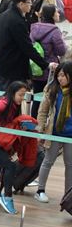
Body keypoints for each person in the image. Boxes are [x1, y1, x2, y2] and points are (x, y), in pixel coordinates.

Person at [0, 81, 42, 215]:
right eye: (20, 95)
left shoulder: (12, 106)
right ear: (12, 93)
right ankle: (7, 197)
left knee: (5, 166)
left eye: (24, 95)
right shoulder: (3, 104)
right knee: (10, 165)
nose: (22, 98)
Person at [35, 61, 72, 202]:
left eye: (64, 76)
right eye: (59, 75)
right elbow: (43, 111)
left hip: (70, 135)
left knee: (70, 165)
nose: (60, 78)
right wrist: (40, 130)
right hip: (54, 132)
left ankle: (68, 195)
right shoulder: (52, 89)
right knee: (48, 161)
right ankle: (40, 190)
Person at [0, 0, 48, 90]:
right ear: (20, 4)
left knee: (3, 99)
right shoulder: (17, 21)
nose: (31, 5)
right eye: (28, 2)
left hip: (2, 65)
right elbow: (26, 47)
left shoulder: (3, 16)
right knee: (12, 100)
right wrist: (44, 65)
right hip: (14, 68)